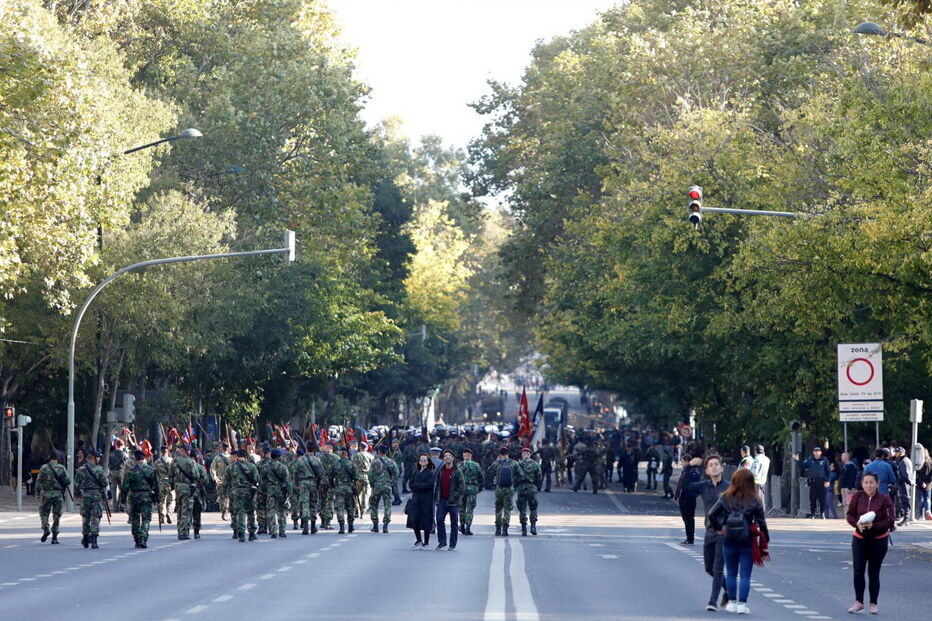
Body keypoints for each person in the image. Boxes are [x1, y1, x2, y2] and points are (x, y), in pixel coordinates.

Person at [708, 468, 770, 616]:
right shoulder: (755, 500)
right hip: (747, 539)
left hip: (729, 539)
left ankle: (733, 602)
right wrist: (765, 538)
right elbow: (762, 522)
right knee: (745, 575)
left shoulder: (725, 497)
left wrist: (718, 528)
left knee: (730, 572)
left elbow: (712, 514)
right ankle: (742, 604)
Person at [845, 471, 895, 614]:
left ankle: (873, 603)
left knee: (873, 572)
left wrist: (874, 526)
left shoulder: (885, 499)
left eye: (871, 482)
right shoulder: (857, 497)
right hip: (860, 540)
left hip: (878, 540)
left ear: (877, 484)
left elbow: (890, 520)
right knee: (858, 571)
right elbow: (850, 515)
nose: (868, 485)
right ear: (862, 484)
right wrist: (857, 524)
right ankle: (858, 601)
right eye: (866, 482)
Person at [688, 454, 730, 612]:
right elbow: (685, 486)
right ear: (706, 470)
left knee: (718, 567)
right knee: (709, 568)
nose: (714, 466)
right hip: (709, 532)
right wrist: (689, 466)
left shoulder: (728, 487)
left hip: (724, 532)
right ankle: (729, 589)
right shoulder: (704, 486)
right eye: (711, 465)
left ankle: (712, 601)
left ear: (722, 468)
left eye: (716, 464)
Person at [120, 449, 157, 548]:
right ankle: (143, 538)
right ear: (144, 458)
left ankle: (137, 538)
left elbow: (125, 487)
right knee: (146, 519)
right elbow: (155, 485)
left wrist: (122, 499)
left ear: (135, 458)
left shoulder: (130, 471)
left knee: (135, 518)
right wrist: (157, 497)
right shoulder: (150, 470)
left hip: (134, 496)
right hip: (146, 496)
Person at [74, 448, 108, 549]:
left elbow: (77, 485)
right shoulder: (99, 469)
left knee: (85, 517)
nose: (99, 459)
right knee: (95, 517)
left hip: (85, 495)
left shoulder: (81, 470)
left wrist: (77, 495)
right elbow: (105, 483)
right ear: (93, 458)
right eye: (97, 457)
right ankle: (94, 540)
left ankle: (85, 537)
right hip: (96, 495)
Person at [36, 452, 70, 544]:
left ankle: (46, 527)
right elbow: (68, 481)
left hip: (47, 494)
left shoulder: (44, 468)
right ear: (57, 459)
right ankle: (54, 536)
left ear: (49, 457)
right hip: (58, 494)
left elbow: (39, 482)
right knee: (57, 515)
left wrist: (38, 494)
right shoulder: (61, 468)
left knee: (44, 513)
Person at [169, 444, 201, 540]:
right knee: (186, 510)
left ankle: (179, 530)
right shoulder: (191, 462)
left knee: (179, 509)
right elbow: (196, 475)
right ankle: (184, 532)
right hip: (187, 488)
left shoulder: (174, 461)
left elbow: (170, 475)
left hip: (178, 487)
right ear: (188, 451)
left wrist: (173, 485)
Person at [434, 448, 464, 550]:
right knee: (439, 519)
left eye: (449, 456)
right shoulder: (441, 471)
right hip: (442, 500)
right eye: (445, 456)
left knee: (454, 523)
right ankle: (442, 542)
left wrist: (454, 496)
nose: (447, 457)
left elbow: (461, 486)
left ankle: (452, 544)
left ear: (453, 458)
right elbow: (437, 485)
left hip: (453, 502)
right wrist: (436, 497)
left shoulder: (457, 471)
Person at [228, 448, 260, 542]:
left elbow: (226, 481)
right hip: (249, 492)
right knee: (250, 512)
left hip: (236, 492)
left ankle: (241, 533)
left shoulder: (231, 467)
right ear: (246, 457)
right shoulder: (252, 467)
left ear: (237, 457)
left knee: (240, 512)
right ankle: (251, 533)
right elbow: (257, 479)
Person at [293, 445, 324, 534]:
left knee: (304, 503)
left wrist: (296, 484)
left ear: (306, 449)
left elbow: (295, 473)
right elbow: (321, 473)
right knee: (313, 504)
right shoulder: (316, 460)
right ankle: (313, 526)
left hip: (303, 483)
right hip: (313, 483)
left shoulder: (300, 460)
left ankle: (305, 525)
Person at [406, 453, 435, 549]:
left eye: (424, 460)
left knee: (426, 520)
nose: (422, 461)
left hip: (426, 500)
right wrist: (418, 486)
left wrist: (418, 486)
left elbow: (429, 485)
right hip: (416, 499)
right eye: (421, 460)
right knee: (414, 519)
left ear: (428, 462)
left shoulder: (430, 473)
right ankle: (418, 539)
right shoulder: (416, 471)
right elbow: (411, 483)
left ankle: (426, 542)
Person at [333, 445, 363, 534]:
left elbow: (330, 476)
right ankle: (351, 526)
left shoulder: (335, 464)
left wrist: (333, 485)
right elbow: (357, 477)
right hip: (349, 488)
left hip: (339, 488)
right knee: (350, 507)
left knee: (340, 508)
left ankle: (341, 527)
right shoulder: (351, 464)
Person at [369, 444, 399, 533]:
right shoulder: (391, 462)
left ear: (378, 452)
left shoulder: (374, 462)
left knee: (374, 504)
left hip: (377, 486)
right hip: (387, 486)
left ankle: (375, 525)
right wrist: (391, 483)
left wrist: (372, 484)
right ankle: (385, 525)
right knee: (387, 505)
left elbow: (370, 475)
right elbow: (396, 473)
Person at [489, 446, 519, 536]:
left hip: (499, 489)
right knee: (507, 508)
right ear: (508, 454)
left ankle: (498, 528)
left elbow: (489, 471)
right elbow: (520, 474)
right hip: (509, 488)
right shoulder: (513, 463)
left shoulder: (497, 463)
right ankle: (505, 529)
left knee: (498, 507)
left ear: (500, 454)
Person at [795, 446, 830, 518]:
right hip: (813, 482)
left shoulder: (824, 460)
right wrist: (797, 460)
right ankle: (812, 514)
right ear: (813, 452)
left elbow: (828, 471)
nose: (817, 452)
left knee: (822, 499)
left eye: (818, 451)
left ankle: (822, 513)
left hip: (822, 481)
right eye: (815, 451)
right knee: (812, 499)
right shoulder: (810, 460)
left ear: (821, 452)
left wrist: (827, 481)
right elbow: (802, 466)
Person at [675, 453, 702, 545]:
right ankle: (689, 537)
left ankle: (690, 538)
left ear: (687, 462)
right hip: (683, 497)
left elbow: (694, 486)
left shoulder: (693, 472)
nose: (681, 463)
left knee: (689, 519)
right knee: (686, 518)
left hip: (689, 498)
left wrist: (691, 495)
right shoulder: (685, 471)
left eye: (682, 461)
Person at [516, 446, 542, 536]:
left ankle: (524, 528)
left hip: (521, 487)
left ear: (523, 454)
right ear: (530, 454)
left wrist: (517, 486)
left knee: (522, 508)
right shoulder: (535, 464)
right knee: (533, 507)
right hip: (532, 487)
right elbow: (539, 477)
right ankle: (533, 526)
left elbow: (515, 477)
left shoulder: (518, 464)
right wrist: (537, 487)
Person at [458, 447, 483, 535]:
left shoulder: (459, 465)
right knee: (470, 509)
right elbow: (481, 477)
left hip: (461, 489)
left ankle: (462, 526)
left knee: (462, 508)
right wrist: (480, 487)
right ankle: (468, 528)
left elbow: (455, 478)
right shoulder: (476, 465)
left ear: (463, 455)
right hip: (472, 489)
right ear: (471, 455)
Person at [893, 447, 914, 526]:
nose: (895, 454)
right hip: (904, 483)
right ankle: (906, 518)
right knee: (904, 500)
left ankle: (906, 518)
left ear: (901, 453)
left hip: (904, 484)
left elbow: (905, 475)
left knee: (905, 500)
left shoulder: (903, 462)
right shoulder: (904, 461)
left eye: (897, 452)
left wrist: (909, 482)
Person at [154, 446, 173, 525]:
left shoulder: (157, 462)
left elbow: (155, 474)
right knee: (171, 500)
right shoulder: (172, 461)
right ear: (167, 452)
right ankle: (169, 512)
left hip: (161, 483)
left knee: (162, 501)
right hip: (170, 483)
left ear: (161, 452)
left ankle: (162, 516)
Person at [749, 445, 770, 510]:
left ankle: (756, 516)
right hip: (763, 481)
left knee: (755, 500)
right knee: (761, 499)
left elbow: (754, 472)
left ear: (756, 451)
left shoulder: (757, 459)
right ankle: (761, 515)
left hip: (755, 482)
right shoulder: (767, 459)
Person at [915, 444, 932, 521]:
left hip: (919, 483)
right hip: (928, 484)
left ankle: (921, 515)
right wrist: (927, 482)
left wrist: (921, 482)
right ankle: (928, 510)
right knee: (927, 498)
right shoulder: (930, 462)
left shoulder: (919, 463)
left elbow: (917, 473)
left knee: (920, 499)